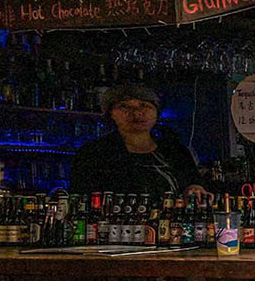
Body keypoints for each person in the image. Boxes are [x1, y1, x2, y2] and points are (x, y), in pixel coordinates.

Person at [70, 84, 208, 198]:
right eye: (124, 107)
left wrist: (194, 188)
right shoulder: (93, 154)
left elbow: (193, 182)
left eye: (144, 105)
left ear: (156, 112)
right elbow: (83, 197)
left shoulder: (175, 151)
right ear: (110, 114)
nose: (136, 113)